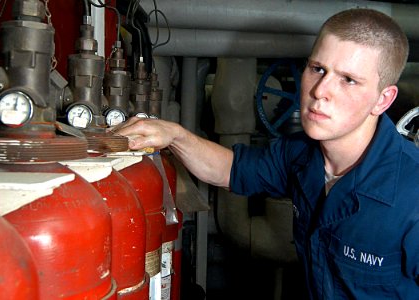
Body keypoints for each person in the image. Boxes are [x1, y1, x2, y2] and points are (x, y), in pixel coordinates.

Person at [114, 8, 419, 299]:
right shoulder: (300, 153)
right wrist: (174, 135)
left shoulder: (412, 196)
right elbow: (229, 169)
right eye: (317, 69)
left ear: (383, 100)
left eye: (348, 79)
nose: (319, 90)